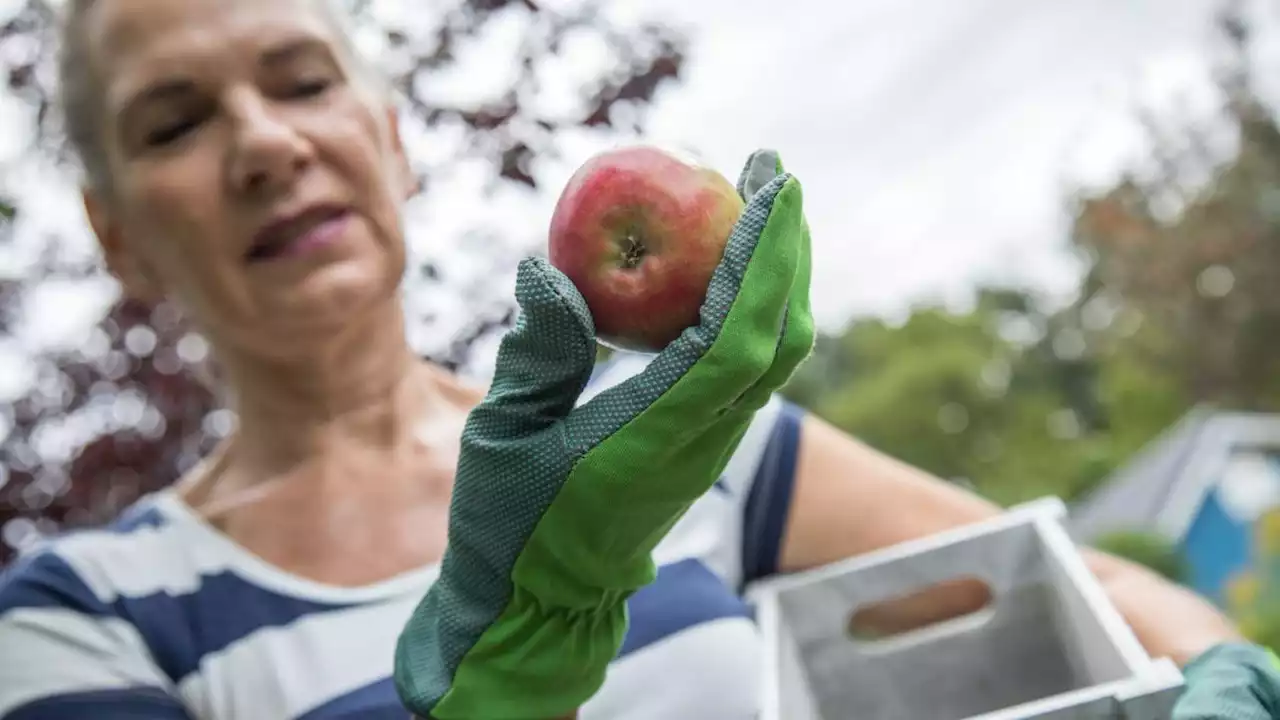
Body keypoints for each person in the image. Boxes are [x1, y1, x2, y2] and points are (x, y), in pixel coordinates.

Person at [0, 0, 1277, 717]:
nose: (266, 143)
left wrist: (1212, 676)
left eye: (301, 81)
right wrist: (506, 663)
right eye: (176, 120)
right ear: (116, 232)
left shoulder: (676, 447)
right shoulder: (82, 618)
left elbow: (1068, 577)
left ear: (392, 141)